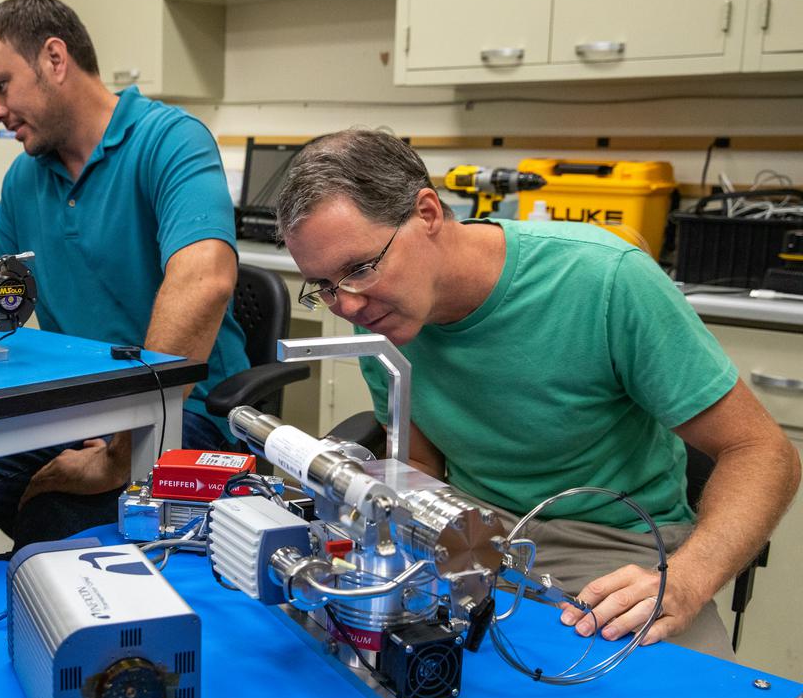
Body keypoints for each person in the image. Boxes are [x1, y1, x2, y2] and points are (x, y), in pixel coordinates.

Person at [275, 128, 800, 658]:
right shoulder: (374, 312)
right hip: (471, 533)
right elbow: (419, 463)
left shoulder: (604, 281)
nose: (348, 305)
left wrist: (688, 579)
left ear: (428, 213)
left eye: (360, 269)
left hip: (613, 549)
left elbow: (762, 453)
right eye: (323, 286)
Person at [0, 0, 248, 572]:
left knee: (51, 524)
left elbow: (204, 280)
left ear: (54, 59)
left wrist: (123, 451)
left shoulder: (170, 141)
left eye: (0, 86)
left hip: (185, 413)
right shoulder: (24, 179)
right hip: (76, 413)